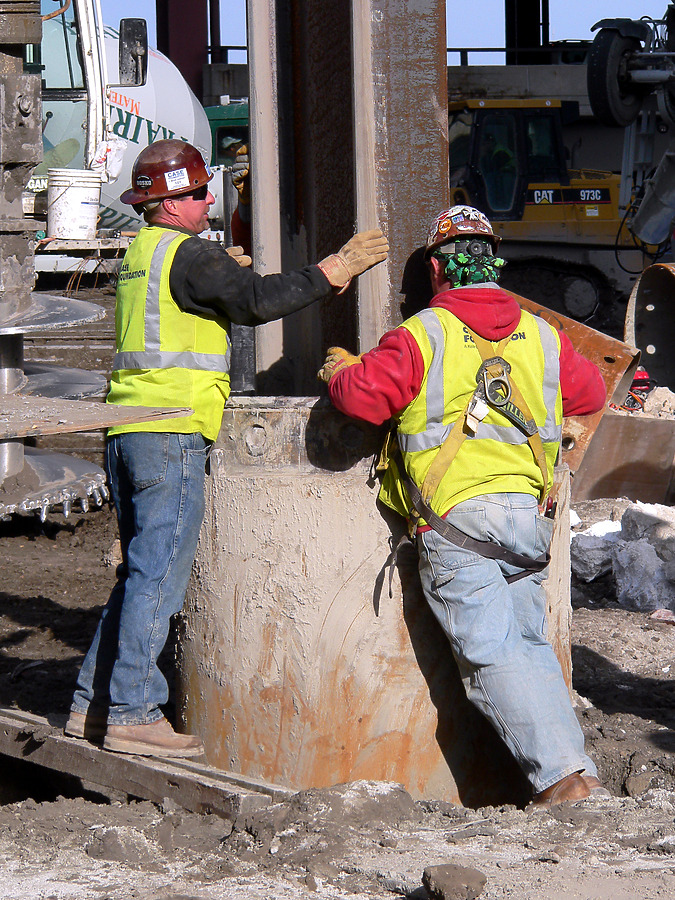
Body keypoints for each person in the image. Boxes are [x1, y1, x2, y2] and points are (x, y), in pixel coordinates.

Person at [65, 139, 388, 758]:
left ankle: (91, 703)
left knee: (137, 573)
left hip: (129, 430)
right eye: (196, 194)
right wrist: (333, 270)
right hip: (172, 431)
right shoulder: (187, 254)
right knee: (158, 575)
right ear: (167, 203)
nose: (209, 200)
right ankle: (132, 710)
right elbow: (258, 302)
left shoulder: (143, 253)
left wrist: (223, 273)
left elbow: (211, 299)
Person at [318, 205, 608, 808]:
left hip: (458, 523)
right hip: (529, 523)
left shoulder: (422, 334)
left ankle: (559, 784)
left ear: (436, 271)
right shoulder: (542, 334)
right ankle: (576, 773)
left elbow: (365, 402)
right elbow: (591, 392)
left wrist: (343, 371)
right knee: (528, 647)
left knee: (493, 656)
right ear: (493, 264)